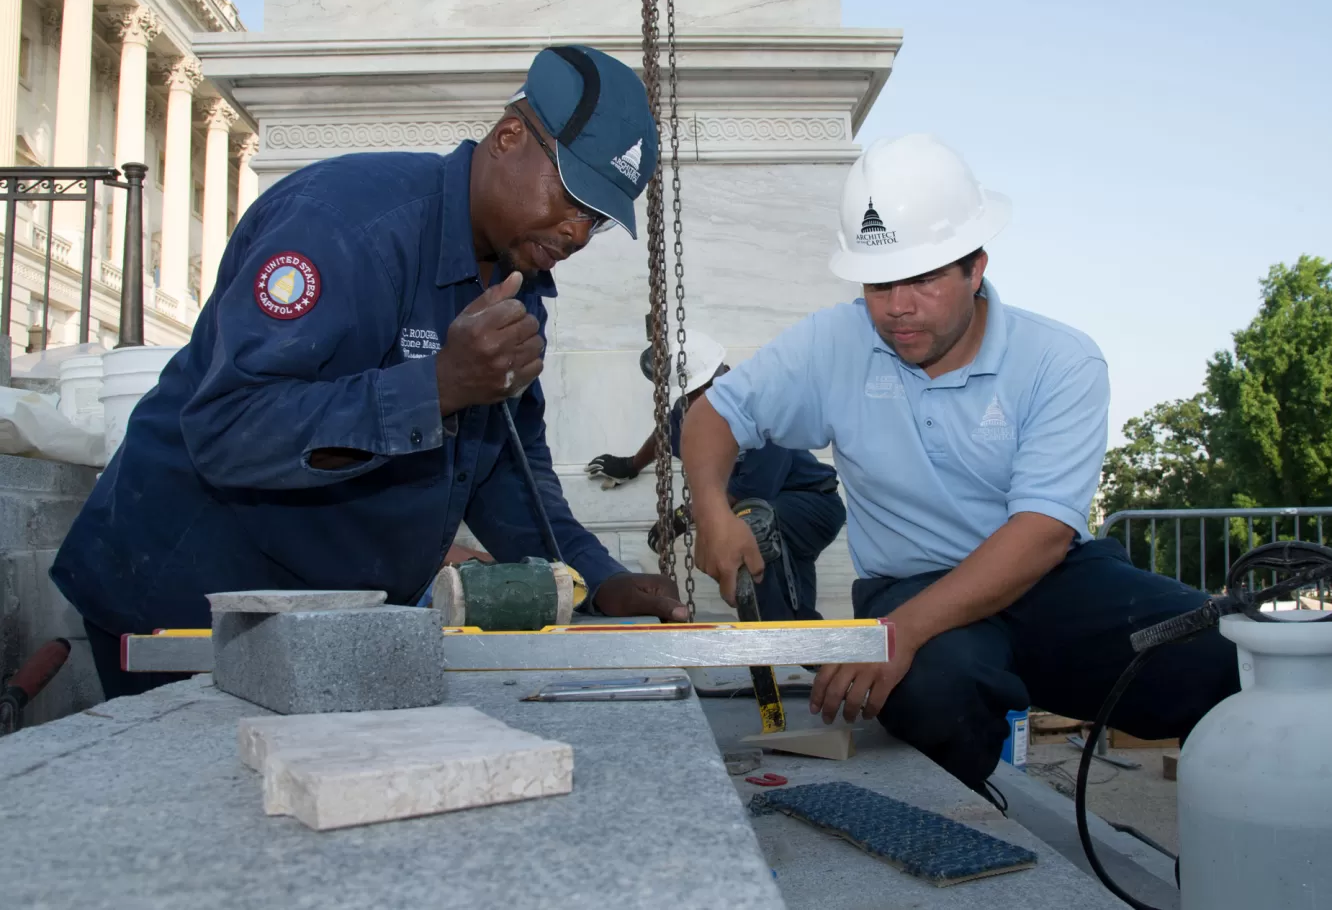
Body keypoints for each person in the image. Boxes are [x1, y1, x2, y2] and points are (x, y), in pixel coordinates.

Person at [52, 44, 691, 701]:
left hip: (328, 619)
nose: (578, 232)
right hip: (187, 600)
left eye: (598, 219)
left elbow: (501, 468)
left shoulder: (516, 282)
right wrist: (437, 388)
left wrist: (596, 575)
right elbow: (228, 429)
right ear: (508, 138)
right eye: (573, 195)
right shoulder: (343, 225)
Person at [680, 133, 1241, 802]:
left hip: (1047, 578)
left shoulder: (1061, 361)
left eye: (923, 279)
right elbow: (714, 415)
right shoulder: (837, 341)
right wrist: (712, 509)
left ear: (976, 268)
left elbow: (1041, 533)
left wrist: (899, 635)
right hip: (907, 581)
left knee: (1230, 660)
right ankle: (964, 829)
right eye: (880, 283)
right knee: (932, 690)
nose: (897, 307)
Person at [585, 331, 845, 620]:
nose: (699, 400)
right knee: (791, 589)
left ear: (727, 374)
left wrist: (684, 517)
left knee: (753, 525)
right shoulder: (687, 412)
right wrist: (632, 465)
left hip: (812, 503)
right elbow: (666, 433)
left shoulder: (759, 410)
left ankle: (770, 641)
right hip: (775, 511)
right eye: (690, 396)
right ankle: (806, 650)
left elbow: (750, 491)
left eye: (705, 388)